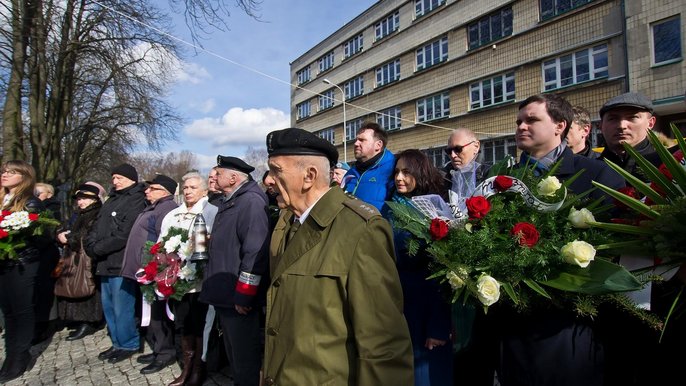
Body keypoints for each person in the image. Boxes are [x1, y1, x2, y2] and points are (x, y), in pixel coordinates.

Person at [262, 127, 413, 385]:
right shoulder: (288, 223)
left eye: (277, 171)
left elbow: (383, 344)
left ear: (309, 176)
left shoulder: (361, 229)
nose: (269, 180)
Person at [494, 93, 625, 386]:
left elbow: (615, 245)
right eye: (518, 122)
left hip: (569, 327)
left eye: (532, 120)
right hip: (513, 324)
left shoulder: (596, 175)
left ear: (559, 126)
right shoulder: (502, 180)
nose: (521, 127)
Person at [199, 155, 270, 386]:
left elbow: (254, 251)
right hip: (225, 294)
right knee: (235, 355)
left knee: (244, 358)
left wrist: (245, 293)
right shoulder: (231, 200)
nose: (214, 177)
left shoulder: (250, 202)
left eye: (218, 173)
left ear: (232, 177)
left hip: (237, 297)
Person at [388, 149, 453, 386]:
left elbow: (443, 273)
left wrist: (437, 326)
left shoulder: (432, 210)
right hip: (395, 307)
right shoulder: (390, 208)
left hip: (424, 310)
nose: (399, 178)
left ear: (421, 173)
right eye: (396, 172)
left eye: (406, 172)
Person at [159, 172, 218, 386]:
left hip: (201, 281)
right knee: (184, 325)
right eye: (185, 188)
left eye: (193, 187)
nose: (188, 191)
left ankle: (199, 369)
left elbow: (213, 243)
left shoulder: (212, 212)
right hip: (178, 280)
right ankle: (187, 367)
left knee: (200, 324)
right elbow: (161, 242)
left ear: (204, 190)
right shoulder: (174, 214)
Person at [0, 161, 56, 382]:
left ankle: (19, 357)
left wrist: (16, 239)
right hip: (4, 262)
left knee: (21, 310)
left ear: (24, 177)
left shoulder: (30, 203)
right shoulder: (4, 200)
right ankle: (9, 355)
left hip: (23, 262)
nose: (5, 174)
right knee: (8, 311)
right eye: (4, 171)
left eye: (11, 172)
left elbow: (42, 236)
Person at [84, 163, 146, 364]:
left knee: (123, 307)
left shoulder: (137, 199)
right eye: (113, 177)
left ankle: (128, 342)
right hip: (104, 261)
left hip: (121, 262)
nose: (115, 181)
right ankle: (117, 341)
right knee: (109, 306)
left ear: (131, 179)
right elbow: (96, 226)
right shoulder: (111, 199)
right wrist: (91, 245)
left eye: (119, 177)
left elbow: (125, 233)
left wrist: (98, 248)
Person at [120, 174, 179, 374]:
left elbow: (164, 240)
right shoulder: (153, 206)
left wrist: (154, 266)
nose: (146, 191)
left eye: (152, 188)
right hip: (144, 269)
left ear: (165, 191)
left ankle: (165, 352)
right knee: (151, 312)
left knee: (158, 314)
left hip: (155, 269)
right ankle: (157, 348)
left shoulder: (166, 208)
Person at [55, 183, 104, 341]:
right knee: (72, 284)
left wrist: (69, 238)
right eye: (79, 199)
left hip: (86, 258)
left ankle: (89, 321)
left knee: (85, 286)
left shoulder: (96, 213)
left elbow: (87, 235)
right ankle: (76, 318)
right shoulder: (80, 213)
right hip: (72, 256)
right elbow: (67, 227)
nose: (80, 202)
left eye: (84, 199)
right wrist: (61, 234)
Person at [598, 92, 661, 178]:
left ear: (650, 123)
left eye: (632, 117)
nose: (622, 126)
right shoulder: (587, 170)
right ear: (601, 125)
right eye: (613, 118)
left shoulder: (667, 167)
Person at [343, 122, 395, 211]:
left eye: (362, 140)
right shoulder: (351, 172)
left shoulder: (393, 169)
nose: (356, 144)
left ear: (378, 145)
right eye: (356, 140)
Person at [442, 128, 491, 214]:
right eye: (449, 151)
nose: (453, 155)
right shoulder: (442, 178)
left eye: (458, 149)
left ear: (476, 147)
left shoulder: (490, 175)